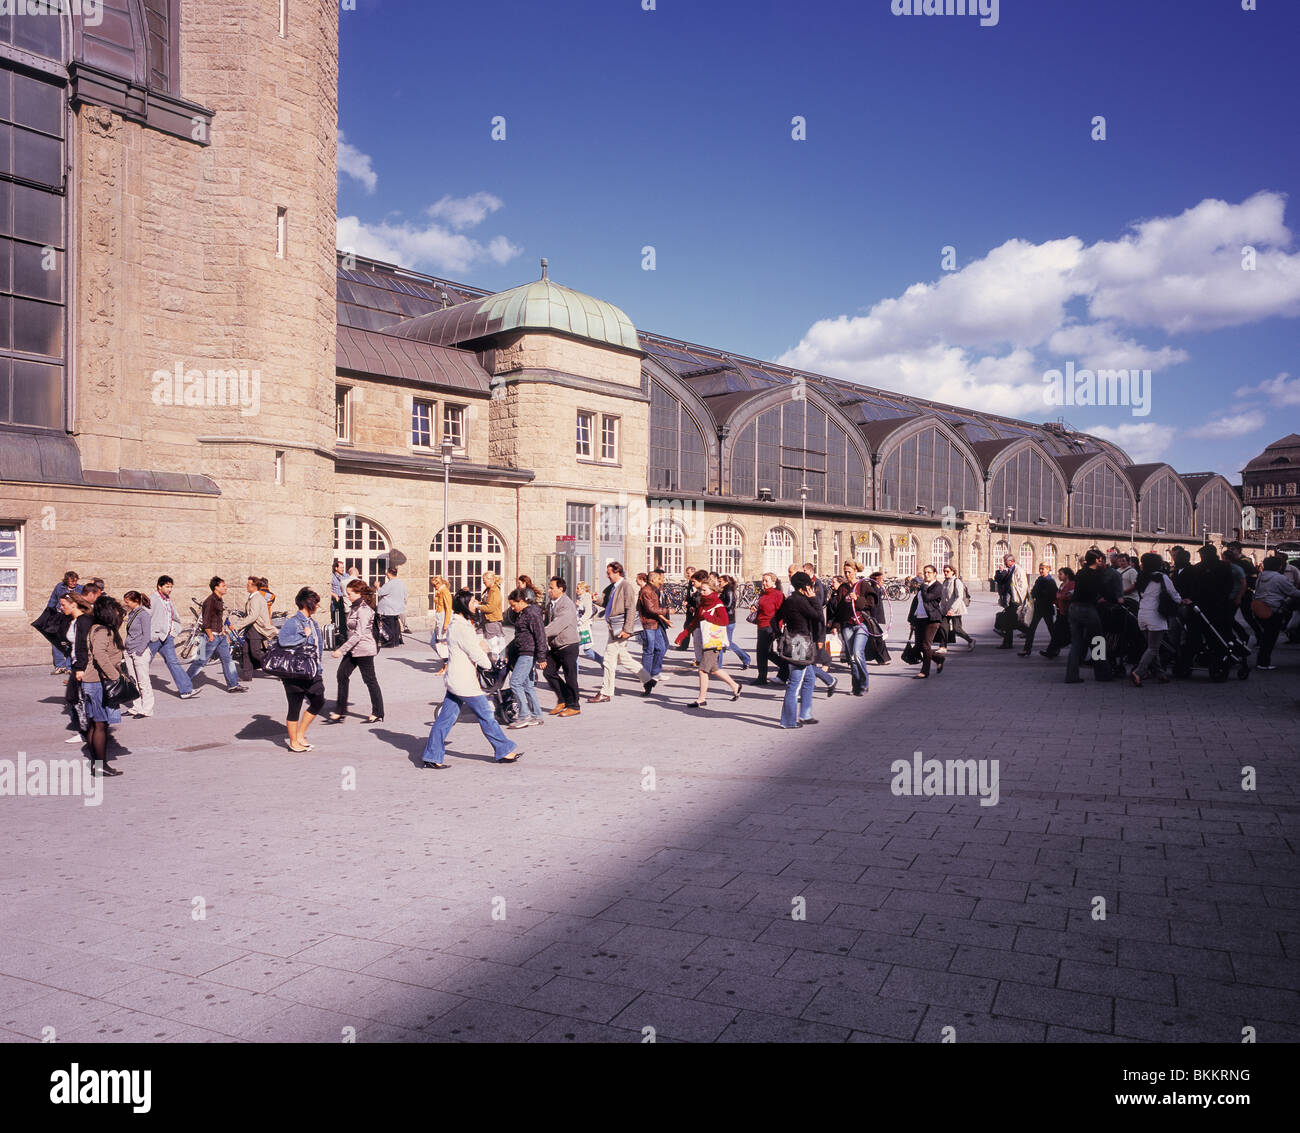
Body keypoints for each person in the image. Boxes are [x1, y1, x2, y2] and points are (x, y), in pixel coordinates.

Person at [421, 589, 522, 768]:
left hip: (456, 679)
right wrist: (489, 663)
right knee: (486, 714)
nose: (476, 604)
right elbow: (475, 653)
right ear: (464, 605)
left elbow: (471, 645)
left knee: (446, 718)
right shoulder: (461, 627)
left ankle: (432, 755)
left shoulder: (459, 624)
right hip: (464, 682)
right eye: (473, 601)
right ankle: (504, 750)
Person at [75, 595, 128, 776]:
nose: (117, 613)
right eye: (114, 609)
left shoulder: (97, 628)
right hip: (97, 682)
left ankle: (96, 765)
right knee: (100, 725)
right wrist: (114, 677)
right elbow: (100, 655)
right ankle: (100, 767)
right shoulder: (102, 631)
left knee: (95, 724)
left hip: (93, 682)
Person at [675, 577, 742, 708]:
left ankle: (701, 699)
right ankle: (735, 685)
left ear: (712, 590)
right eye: (700, 590)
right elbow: (694, 622)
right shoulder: (702, 604)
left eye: (704, 590)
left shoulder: (718, 604)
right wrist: (682, 635)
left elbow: (724, 621)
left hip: (714, 641)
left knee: (702, 670)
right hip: (705, 640)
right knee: (713, 669)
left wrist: (708, 616)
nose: (701, 592)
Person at [590, 562, 650, 703]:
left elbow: (630, 609)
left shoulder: (626, 586)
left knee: (608, 660)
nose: (607, 575)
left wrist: (627, 630)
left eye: (609, 573)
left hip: (620, 630)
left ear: (618, 572)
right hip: (614, 629)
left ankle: (606, 692)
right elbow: (607, 603)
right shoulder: (613, 587)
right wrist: (596, 600)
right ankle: (648, 679)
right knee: (623, 658)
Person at [328, 578, 385, 722]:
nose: (347, 596)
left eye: (350, 593)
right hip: (353, 648)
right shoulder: (355, 606)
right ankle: (340, 710)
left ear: (359, 593)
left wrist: (341, 650)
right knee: (342, 675)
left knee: (370, 680)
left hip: (364, 649)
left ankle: (378, 712)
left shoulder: (364, 609)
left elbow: (359, 634)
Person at [276, 588, 326, 752]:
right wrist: (302, 636)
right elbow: (282, 640)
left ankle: (300, 734)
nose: (318, 605)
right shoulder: (293, 622)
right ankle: (293, 742)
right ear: (308, 603)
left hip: (312, 670)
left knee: (318, 700)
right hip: (295, 671)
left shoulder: (312, 622)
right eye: (316, 602)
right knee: (295, 706)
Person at [773, 571, 821, 728]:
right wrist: (813, 599)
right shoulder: (800, 601)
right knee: (795, 683)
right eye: (809, 585)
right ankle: (788, 721)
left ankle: (805, 714)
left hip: (795, 639)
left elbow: (776, 618)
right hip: (800, 642)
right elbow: (818, 615)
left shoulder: (790, 600)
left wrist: (779, 635)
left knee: (810, 678)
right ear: (805, 586)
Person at [1131, 553, 1183, 686]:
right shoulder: (1162, 577)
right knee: (1153, 648)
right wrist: (1182, 601)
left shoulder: (1140, 576)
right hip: (1155, 615)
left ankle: (1160, 674)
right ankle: (1139, 672)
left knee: (1151, 647)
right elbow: (1174, 594)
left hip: (1142, 614)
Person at [185, 576, 243, 693]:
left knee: (228, 660)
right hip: (209, 637)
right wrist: (210, 636)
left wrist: (223, 633)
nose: (226, 588)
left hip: (220, 637)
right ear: (216, 587)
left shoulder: (219, 600)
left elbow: (218, 619)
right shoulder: (210, 601)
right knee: (200, 661)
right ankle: (184, 682)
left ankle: (233, 685)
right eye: (223, 586)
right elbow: (206, 620)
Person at [147, 575, 198, 699]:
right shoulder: (152, 600)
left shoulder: (168, 601)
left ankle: (186, 690)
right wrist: (153, 635)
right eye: (167, 586)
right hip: (154, 639)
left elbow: (175, 618)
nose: (169, 589)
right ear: (159, 586)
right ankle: (129, 688)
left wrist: (173, 632)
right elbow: (146, 618)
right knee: (143, 664)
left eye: (171, 587)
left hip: (167, 638)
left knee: (173, 662)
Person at [505, 588, 546, 728]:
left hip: (527, 653)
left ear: (521, 601)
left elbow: (540, 636)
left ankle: (524, 716)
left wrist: (542, 657)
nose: (512, 608)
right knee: (527, 685)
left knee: (515, 683)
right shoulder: (523, 613)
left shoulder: (532, 614)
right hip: (523, 652)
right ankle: (537, 715)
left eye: (514, 605)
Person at [829, 561, 871, 695]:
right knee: (851, 658)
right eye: (845, 571)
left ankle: (864, 683)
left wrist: (857, 599)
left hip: (861, 624)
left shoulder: (864, 585)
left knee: (858, 653)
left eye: (849, 571)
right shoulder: (843, 588)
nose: (847, 574)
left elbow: (871, 604)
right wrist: (835, 625)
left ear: (855, 571)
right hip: (847, 625)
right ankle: (856, 685)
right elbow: (839, 609)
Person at [541, 575, 581, 716]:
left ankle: (574, 705)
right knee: (548, 672)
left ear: (561, 589)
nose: (549, 590)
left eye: (552, 588)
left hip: (568, 645)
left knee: (570, 676)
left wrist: (540, 634)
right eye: (549, 587)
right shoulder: (551, 603)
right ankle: (563, 699)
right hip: (556, 646)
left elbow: (557, 626)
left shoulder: (567, 604)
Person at [1251, 555, 1300, 670]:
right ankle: (1264, 663)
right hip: (1273, 609)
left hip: (1260, 608)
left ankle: (1261, 661)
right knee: (1271, 637)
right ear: (1279, 566)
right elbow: (1292, 592)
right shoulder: (1280, 578)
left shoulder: (1261, 576)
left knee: (1265, 636)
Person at [1065, 550, 1106, 684]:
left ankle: (1071, 675)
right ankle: (1101, 673)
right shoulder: (1097, 574)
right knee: (1098, 640)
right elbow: (1100, 592)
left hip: (1074, 608)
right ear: (1097, 560)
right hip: (1087, 608)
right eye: (1101, 559)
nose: (1102, 562)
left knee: (1076, 643)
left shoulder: (1081, 572)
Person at [230, 575, 275, 680]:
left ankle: (277, 664)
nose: (247, 586)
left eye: (249, 584)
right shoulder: (253, 597)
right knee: (245, 651)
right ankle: (247, 675)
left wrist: (237, 626)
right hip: (250, 628)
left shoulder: (257, 598)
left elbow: (253, 616)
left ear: (255, 586)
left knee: (255, 653)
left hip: (256, 628)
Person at [637, 568, 672, 695]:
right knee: (648, 651)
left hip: (655, 623)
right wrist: (666, 611)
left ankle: (655, 673)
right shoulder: (647, 590)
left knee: (661, 648)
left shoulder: (654, 589)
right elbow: (651, 609)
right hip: (648, 624)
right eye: (658, 579)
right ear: (652, 579)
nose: (661, 581)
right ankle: (645, 677)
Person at [121, 591, 155, 719]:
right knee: (133, 680)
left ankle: (147, 709)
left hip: (139, 652)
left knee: (143, 681)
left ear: (135, 601)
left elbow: (147, 635)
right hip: (129, 650)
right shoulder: (131, 614)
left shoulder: (143, 614)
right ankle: (137, 706)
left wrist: (139, 651)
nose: (126, 603)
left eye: (128, 601)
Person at [908, 565, 946, 678]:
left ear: (935, 573)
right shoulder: (923, 587)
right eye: (925, 572)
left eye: (929, 572)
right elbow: (916, 603)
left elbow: (928, 598)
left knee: (925, 645)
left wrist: (923, 586)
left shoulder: (938, 586)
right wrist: (911, 620)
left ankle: (925, 672)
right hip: (919, 618)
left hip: (932, 619)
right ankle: (938, 658)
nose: (926, 575)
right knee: (919, 646)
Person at [752, 572, 788, 686]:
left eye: (766, 581)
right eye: (763, 580)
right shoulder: (763, 593)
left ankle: (763, 676)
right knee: (765, 652)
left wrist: (778, 628)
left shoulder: (778, 594)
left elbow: (781, 612)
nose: (764, 583)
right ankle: (784, 668)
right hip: (761, 624)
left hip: (770, 626)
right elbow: (761, 607)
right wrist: (754, 608)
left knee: (764, 652)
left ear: (773, 582)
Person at [46, 570, 81, 672]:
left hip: (72, 616)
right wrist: (49, 614)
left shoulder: (80, 588)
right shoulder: (59, 587)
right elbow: (52, 600)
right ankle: (60, 665)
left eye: (75, 581)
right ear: (66, 581)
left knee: (70, 640)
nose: (73, 583)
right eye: (71, 581)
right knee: (56, 640)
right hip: (59, 615)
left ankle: (69, 666)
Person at [1019, 563, 1058, 656]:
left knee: (1051, 629)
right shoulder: (1039, 579)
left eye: (1043, 569)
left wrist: (1039, 593)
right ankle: (1027, 649)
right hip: (1038, 608)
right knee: (1031, 629)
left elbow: (1053, 595)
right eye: (1040, 569)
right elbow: (1033, 592)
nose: (1041, 570)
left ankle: (1056, 648)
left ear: (1048, 569)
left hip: (1047, 608)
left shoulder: (1050, 581)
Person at [718, 575, 752, 670]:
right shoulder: (725, 590)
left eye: (720, 581)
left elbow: (728, 605)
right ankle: (718, 666)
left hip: (728, 619)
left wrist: (717, 605)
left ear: (726, 582)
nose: (719, 583)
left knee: (726, 643)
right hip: (726, 619)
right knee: (723, 643)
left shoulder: (728, 591)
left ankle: (746, 658)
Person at [1041, 567, 1075, 658]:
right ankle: (1052, 651)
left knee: (1067, 634)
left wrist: (1060, 597)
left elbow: (1069, 596)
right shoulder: (1062, 585)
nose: (1059, 576)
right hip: (1061, 612)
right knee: (1056, 633)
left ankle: (1055, 649)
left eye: (1061, 574)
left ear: (1067, 575)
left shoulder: (1071, 584)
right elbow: (1059, 596)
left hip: (1068, 612)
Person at [997, 554, 1028, 649]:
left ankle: (1028, 631)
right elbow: (1003, 582)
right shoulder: (1010, 570)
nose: (1004, 563)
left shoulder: (1018, 570)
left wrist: (1019, 600)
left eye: (1005, 561)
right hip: (1010, 599)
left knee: (1011, 622)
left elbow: (1023, 586)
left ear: (1011, 561)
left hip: (1015, 600)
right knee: (1009, 622)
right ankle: (1007, 643)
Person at [939, 564, 974, 650]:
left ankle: (970, 640)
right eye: (944, 571)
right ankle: (943, 646)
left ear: (953, 572)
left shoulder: (957, 581)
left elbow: (959, 597)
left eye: (947, 571)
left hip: (956, 609)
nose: (945, 573)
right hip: (945, 609)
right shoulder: (945, 582)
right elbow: (943, 597)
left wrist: (952, 609)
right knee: (943, 627)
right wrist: (941, 608)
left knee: (957, 629)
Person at [574, 581, 604, 667]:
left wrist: (580, 621)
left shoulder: (586, 598)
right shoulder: (581, 597)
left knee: (582, 649)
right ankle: (602, 662)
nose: (576, 590)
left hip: (584, 627)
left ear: (583, 589)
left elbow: (588, 612)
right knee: (582, 649)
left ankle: (573, 672)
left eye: (578, 588)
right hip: (581, 626)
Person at [376, 566, 407, 648]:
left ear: (389, 573)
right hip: (397, 608)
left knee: (389, 627)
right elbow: (405, 595)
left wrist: (377, 586)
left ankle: (390, 642)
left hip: (388, 609)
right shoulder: (401, 583)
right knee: (395, 625)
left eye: (387, 573)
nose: (386, 575)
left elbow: (381, 592)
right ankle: (396, 641)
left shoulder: (389, 584)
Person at [478, 571, 503, 650]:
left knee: (493, 644)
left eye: (485, 580)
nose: (483, 582)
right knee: (480, 639)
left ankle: (495, 661)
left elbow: (491, 608)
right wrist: (479, 603)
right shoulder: (488, 590)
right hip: (485, 620)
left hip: (492, 621)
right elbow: (485, 603)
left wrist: (477, 606)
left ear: (491, 579)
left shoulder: (495, 591)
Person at [430, 575, 453, 644]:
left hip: (443, 615)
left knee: (442, 637)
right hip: (439, 615)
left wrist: (446, 623)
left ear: (439, 583)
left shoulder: (445, 592)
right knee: (438, 636)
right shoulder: (440, 591)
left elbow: (448, 608)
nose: (434, 587)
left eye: (434, 585)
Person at [330, 559, 348, 642]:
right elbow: (327, 589)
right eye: (341, 567)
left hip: (345, 599)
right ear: (336, 568)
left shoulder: (346, 576)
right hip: (337, 599)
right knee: (337, 618)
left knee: (345, 618)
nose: (342, 569)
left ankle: (345, 635)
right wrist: (334, 595)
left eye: (343, 567)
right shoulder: (332, 576)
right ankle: (338, 637)